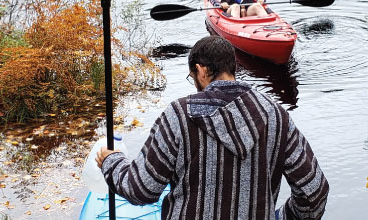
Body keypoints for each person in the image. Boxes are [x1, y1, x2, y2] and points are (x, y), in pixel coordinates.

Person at [95, 36, 329, 220]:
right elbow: (314, 192)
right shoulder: (276, 116)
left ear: (202, 71)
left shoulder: (179, 115)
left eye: (193, 77)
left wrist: (111, 162)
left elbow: (141, 189)